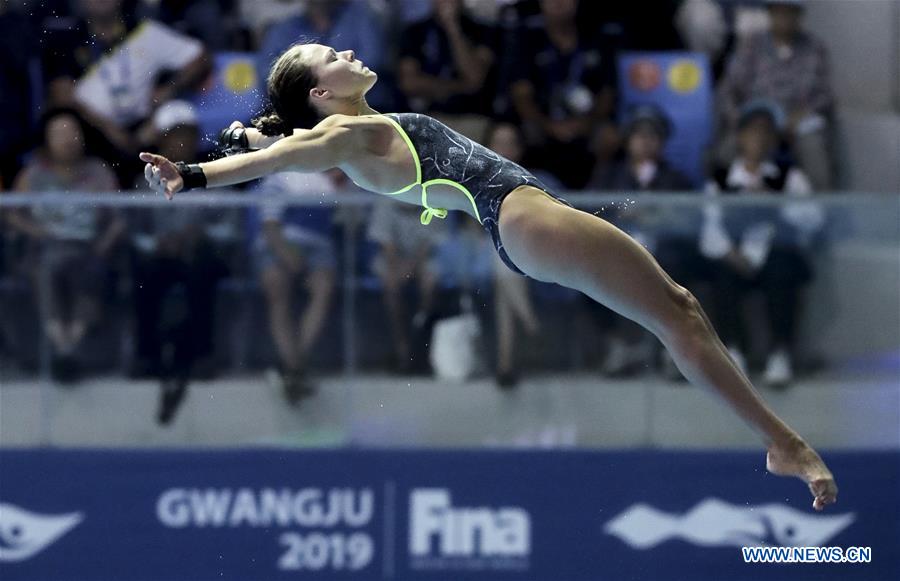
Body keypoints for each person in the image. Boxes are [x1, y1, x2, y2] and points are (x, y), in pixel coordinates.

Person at [139, 42, 837, 511]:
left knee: (676, 314)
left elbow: (288, 144)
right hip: (521, 214)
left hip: (523, 225)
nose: (352, 53)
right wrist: (197, 173)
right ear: (324, 90)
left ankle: (781, 441)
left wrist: (249, 135)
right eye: (336, 56)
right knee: (676, 312)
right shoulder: (346, 136)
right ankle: (784, 442)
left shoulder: (354, 133)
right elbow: (289, 156)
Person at [702, 100, 824, 389]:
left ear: (773, 139)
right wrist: (730, 254)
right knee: (722, 276)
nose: (759, 138)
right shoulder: (721, 181)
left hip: (773, 256)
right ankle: (733, 352)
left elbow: (814, 218)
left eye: (766, 132)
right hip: (735, 257)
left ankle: (779, 353)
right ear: (740, 137)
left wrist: (776, 204)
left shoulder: (788, 177)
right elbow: (709, 229)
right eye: (752, 131)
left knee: (782, 270)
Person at [129, 100, 230, 423]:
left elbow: (231, 227)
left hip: (200, 259)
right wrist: (157, 243)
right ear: (161, 140)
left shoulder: (214, 174)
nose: (180, 143)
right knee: (144, 278)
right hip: (159, 260)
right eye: (173, 136)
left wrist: (200, 235)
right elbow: (134, 233)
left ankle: (201, 355)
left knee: (203, 275)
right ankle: (147, 356)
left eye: (187, 135)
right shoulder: (141, 184)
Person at [8, 108, 124, 383]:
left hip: (88, 249)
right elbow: (12, 214)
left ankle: (67, 345)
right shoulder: (32, 175)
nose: (68, 139)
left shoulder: (99, 172)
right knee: (47, 268)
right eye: (59, 133)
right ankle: (65, 345)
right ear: (47, 140)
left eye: (73, 132)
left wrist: (105, 244)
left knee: (89, 271)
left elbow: (119, 217)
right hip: (45, 248)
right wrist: (37, 231)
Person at [718, 0, 834, 190]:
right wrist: (740, 119)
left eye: (790, 13)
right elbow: (729, 89)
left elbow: (825, 96)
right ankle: (722, 204)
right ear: (770, 14)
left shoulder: (814, 48)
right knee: (727, 151)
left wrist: (803, 114)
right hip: (757, 117)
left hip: (796, 121)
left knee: (813, 147)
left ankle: (823, 209)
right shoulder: (751, 45)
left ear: (800, 16)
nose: (785, 19)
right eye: (779, 13)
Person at [249, 168, 339, 403]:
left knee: (324, 288)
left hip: (317, 248)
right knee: (277, 286)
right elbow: (270, 228)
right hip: (278, 244)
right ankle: (295, 368)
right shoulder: (277, 180)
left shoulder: (328, 183)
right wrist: (286, 255)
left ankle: (293, 367)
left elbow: (342, 222)